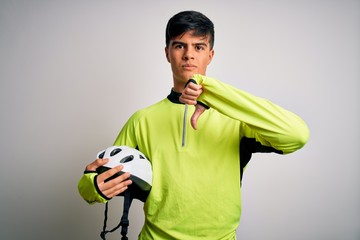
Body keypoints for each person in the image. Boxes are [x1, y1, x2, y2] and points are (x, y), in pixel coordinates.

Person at [78, 10, 309, 240]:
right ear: (167, 53)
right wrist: (94, 186)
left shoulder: (237, 120)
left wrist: (212, 92)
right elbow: (91, 186)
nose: (189, 55)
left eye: (198, 47)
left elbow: (296, 135)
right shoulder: (142, 120)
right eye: (179, 46)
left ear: (211, 55)